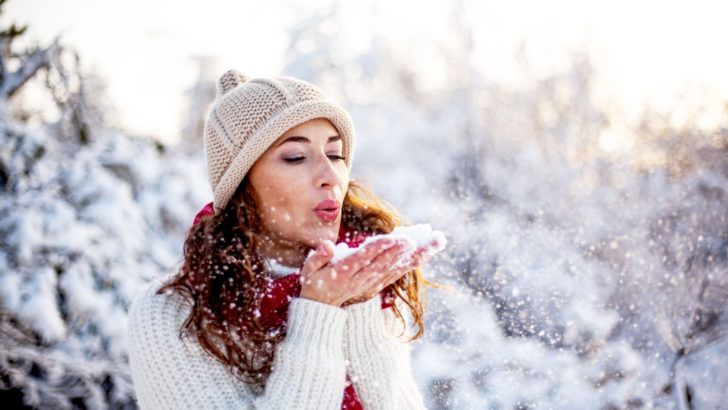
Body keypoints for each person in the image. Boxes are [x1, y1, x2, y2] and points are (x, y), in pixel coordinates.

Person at [126, 69, 437, 409]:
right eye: (295, 157)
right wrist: (318, 311)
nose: (330, 176)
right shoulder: (173, 314)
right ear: (242, 185)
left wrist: (358, 302)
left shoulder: (367, 274)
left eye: (335, 155)